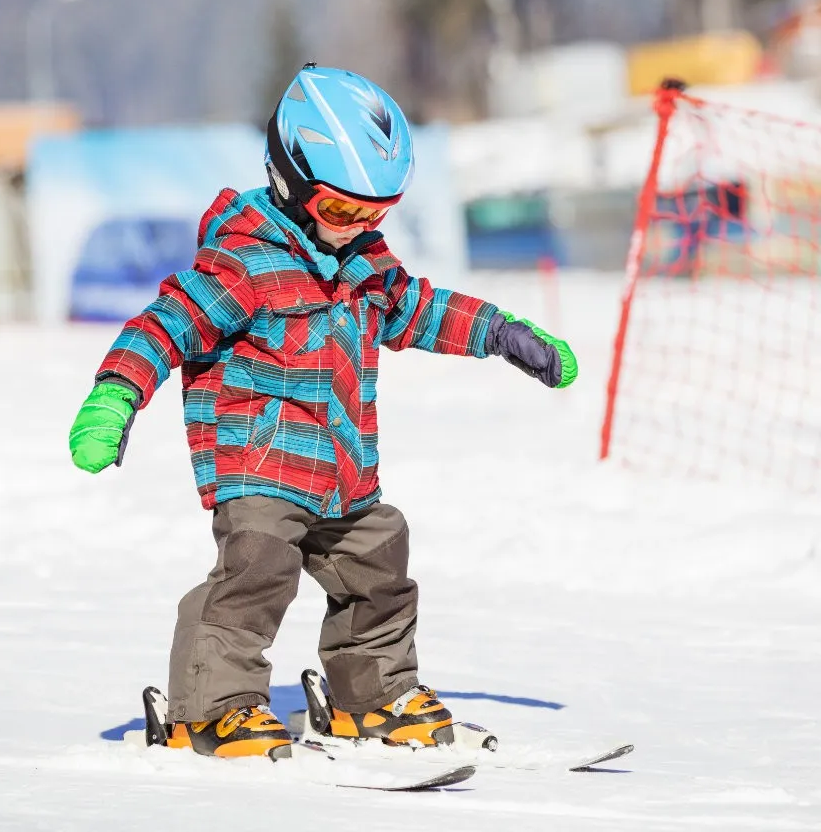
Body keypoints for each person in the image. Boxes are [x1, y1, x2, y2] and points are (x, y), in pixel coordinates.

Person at [69, 65, 578, 760]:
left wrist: (500, 332)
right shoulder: (243, 267)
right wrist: (116, 394)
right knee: (257, 569)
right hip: (260, 464)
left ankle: (370, 699)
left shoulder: (365, 264)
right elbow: (163, 326)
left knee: (380, 564)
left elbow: (419, 308)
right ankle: (213, 706)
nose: (357, 229)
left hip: (343, 469)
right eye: (342, 211)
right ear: (289, 181)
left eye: (374, 214)